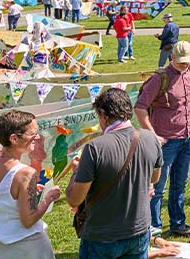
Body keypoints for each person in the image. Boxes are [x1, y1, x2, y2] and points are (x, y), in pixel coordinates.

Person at [66, 88, 164, 258]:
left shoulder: (95, 147)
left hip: (102, 236)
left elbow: (74, 198)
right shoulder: (150, 138)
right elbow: (154, 178)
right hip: (139, 232)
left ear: (103, 115)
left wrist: (76, 172)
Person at [0, 110, 61, 259]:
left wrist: (22, 196)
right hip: (29, 247)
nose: (37, 137)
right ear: (14, 138)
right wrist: (49, 198)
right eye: (33, 134)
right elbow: (28, 221)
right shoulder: (25, 173)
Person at [135, 41, 190, 237]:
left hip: (187, 138)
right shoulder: (159, 79)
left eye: (187, 63)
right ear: (171, 57)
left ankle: (178, 223)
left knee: (180, 183)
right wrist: (153, 135)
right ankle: (153, 228)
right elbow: (140, 108)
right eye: (181, 62)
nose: (184, 66)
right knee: (157, 187)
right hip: (165, 142)